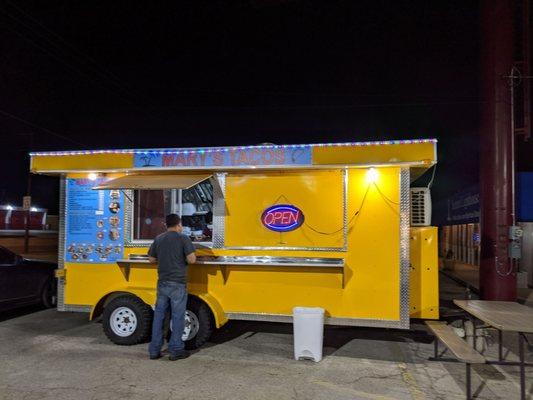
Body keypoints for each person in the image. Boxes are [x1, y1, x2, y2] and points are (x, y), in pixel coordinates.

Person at [147, 213, 196, 360]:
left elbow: (151, 259)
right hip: (178, 283)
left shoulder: (159, 238)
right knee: (177, 316)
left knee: (159, 316)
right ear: (179, 224)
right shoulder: (183, 238)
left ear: (166, 225)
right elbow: (192, 260)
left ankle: (154, 350)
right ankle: (175, 350)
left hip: (162, 283)